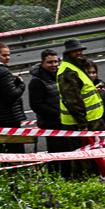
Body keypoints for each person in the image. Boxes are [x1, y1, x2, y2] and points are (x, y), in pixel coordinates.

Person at [57, 38, 105, 179]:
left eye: (80, 50)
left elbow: (82, 92)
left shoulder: (76, 67)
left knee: (97, 155)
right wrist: (82, 125)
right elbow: (72, 101)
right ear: (68, 53)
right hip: (81, 124)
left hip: (91, 120)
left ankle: (99, 179)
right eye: (75, 51)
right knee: (86, 160)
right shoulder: (68, 72)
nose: (79, 53)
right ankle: (88, 182)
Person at [28, 49, 71, 177]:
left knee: (67, 152)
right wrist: (57, 115)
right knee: (55, 153)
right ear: (42, 63)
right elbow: (36, 105)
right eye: (50, 62)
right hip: (51, 124)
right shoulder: (37, 81)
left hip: (64, 121)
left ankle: (67, 176)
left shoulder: (59, 75)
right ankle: (55, 177)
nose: (54, 65)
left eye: (56, 62)